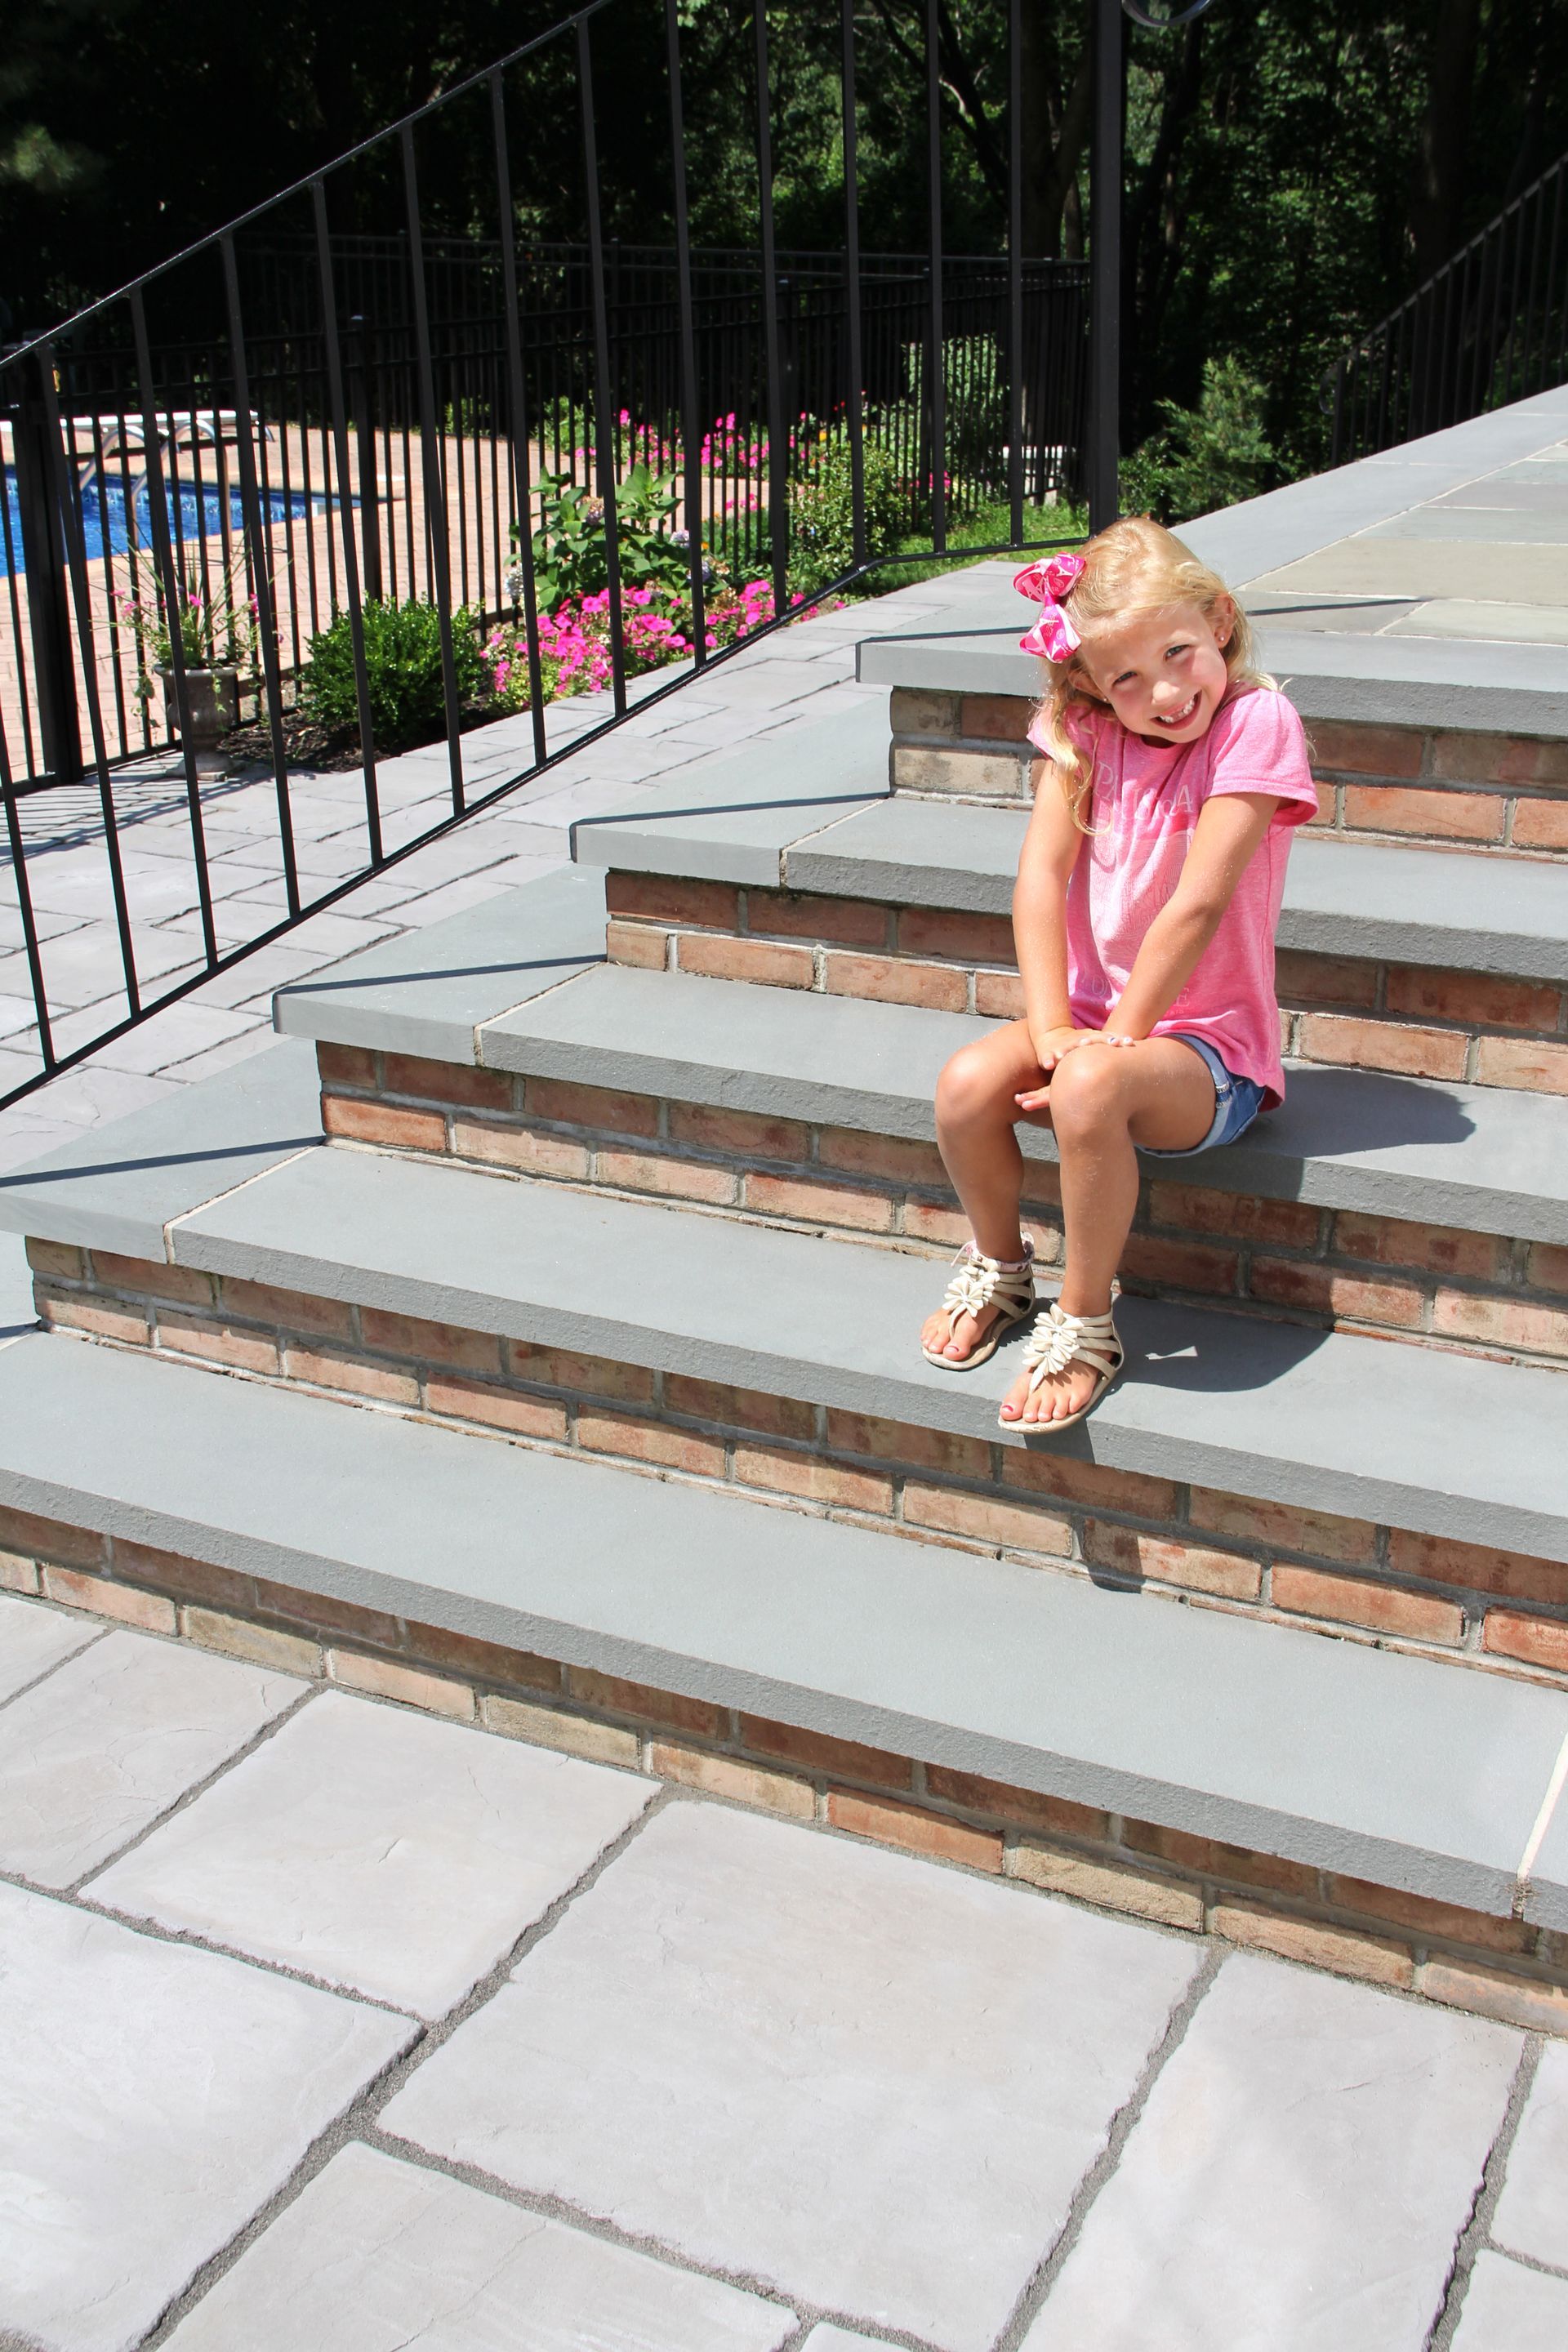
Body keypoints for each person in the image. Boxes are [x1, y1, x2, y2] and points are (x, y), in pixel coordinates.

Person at [920, 515, 1317, 1432]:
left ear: (1219, 622)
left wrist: (1102, 1046)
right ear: (1091, 684)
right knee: (967, 1083)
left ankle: (1088, 1319)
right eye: (1126, 677)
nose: (1164, 692)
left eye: (1179, 653)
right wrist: (1053, 1029)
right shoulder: (1083, 733)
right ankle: (1003, 1267)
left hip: (1207, 1052)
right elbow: (1040, 878)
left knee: (1092, 1087)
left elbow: (1198, 902)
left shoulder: (1256, 723)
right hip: (1101, 1020)